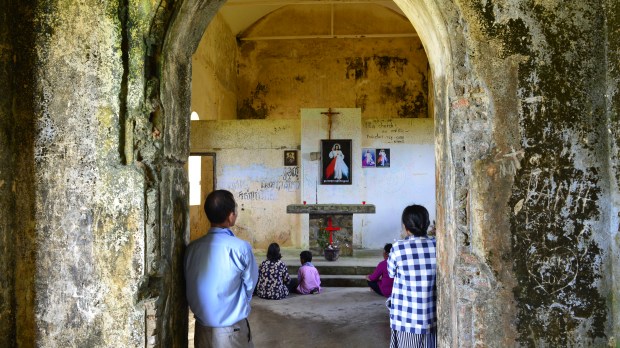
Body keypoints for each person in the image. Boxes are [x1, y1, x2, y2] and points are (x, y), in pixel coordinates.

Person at [185, 190, 259, 348]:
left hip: (202, 330)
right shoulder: (241, 248)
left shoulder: (191, 249)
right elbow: (250, 285)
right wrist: (235, 304)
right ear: (231, 216)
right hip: (232, 332)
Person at [387, 205, 437, 348]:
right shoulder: (437, 245)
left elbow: (391, 273)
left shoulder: (398, 247)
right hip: (432, 317)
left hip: (406, 319)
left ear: (405, 226)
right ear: (427, 224)